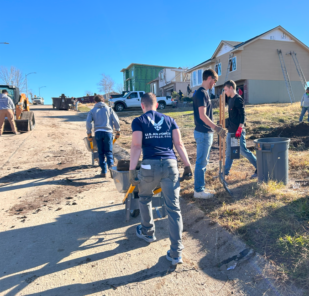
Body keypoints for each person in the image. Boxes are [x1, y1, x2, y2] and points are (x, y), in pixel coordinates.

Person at [129, 92, 192, 265]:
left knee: (144, 197)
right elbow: (179, 144)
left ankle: (148, 231)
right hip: (171, 165)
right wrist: (187, 165)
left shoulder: (138, 121)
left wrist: (132, 170)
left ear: (142, 105)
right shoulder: (170, 120)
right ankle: (176, 253)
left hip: (149, 165)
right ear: (156, 105)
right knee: (174, 208)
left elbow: (136, 145)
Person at [192, 69, 227, 199]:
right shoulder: (202, 93)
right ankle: (199, 191)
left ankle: (200, 188)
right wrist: (216, 128)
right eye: (214, 81)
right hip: (203, 133)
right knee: (201, 162)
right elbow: (202, 115)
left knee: (203, 161)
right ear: (209, 78)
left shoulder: (201, 93)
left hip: (203, 132)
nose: (214, 84)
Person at [223, 80, 257, 178]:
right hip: (231, 130)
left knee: (243, 151)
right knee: (229, 152)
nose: (225, 92)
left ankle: (260, 168)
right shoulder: (230, 99)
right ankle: (225, 172)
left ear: (231, 88)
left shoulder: (238, 99)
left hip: (238, 131)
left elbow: (243, 115)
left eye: (225, 89)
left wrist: (240, 129)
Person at [86, 95, 120, 177]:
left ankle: (104, 172)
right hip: (108, 133)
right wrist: (118, 131)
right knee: (109, 152)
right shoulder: (109, 109)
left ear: (95, 101)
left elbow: (88, 122)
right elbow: (116, 120)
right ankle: (112, 171)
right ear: (103, 101)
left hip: (98, 133)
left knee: (100, 152)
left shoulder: (92, 110)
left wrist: (89, 133)